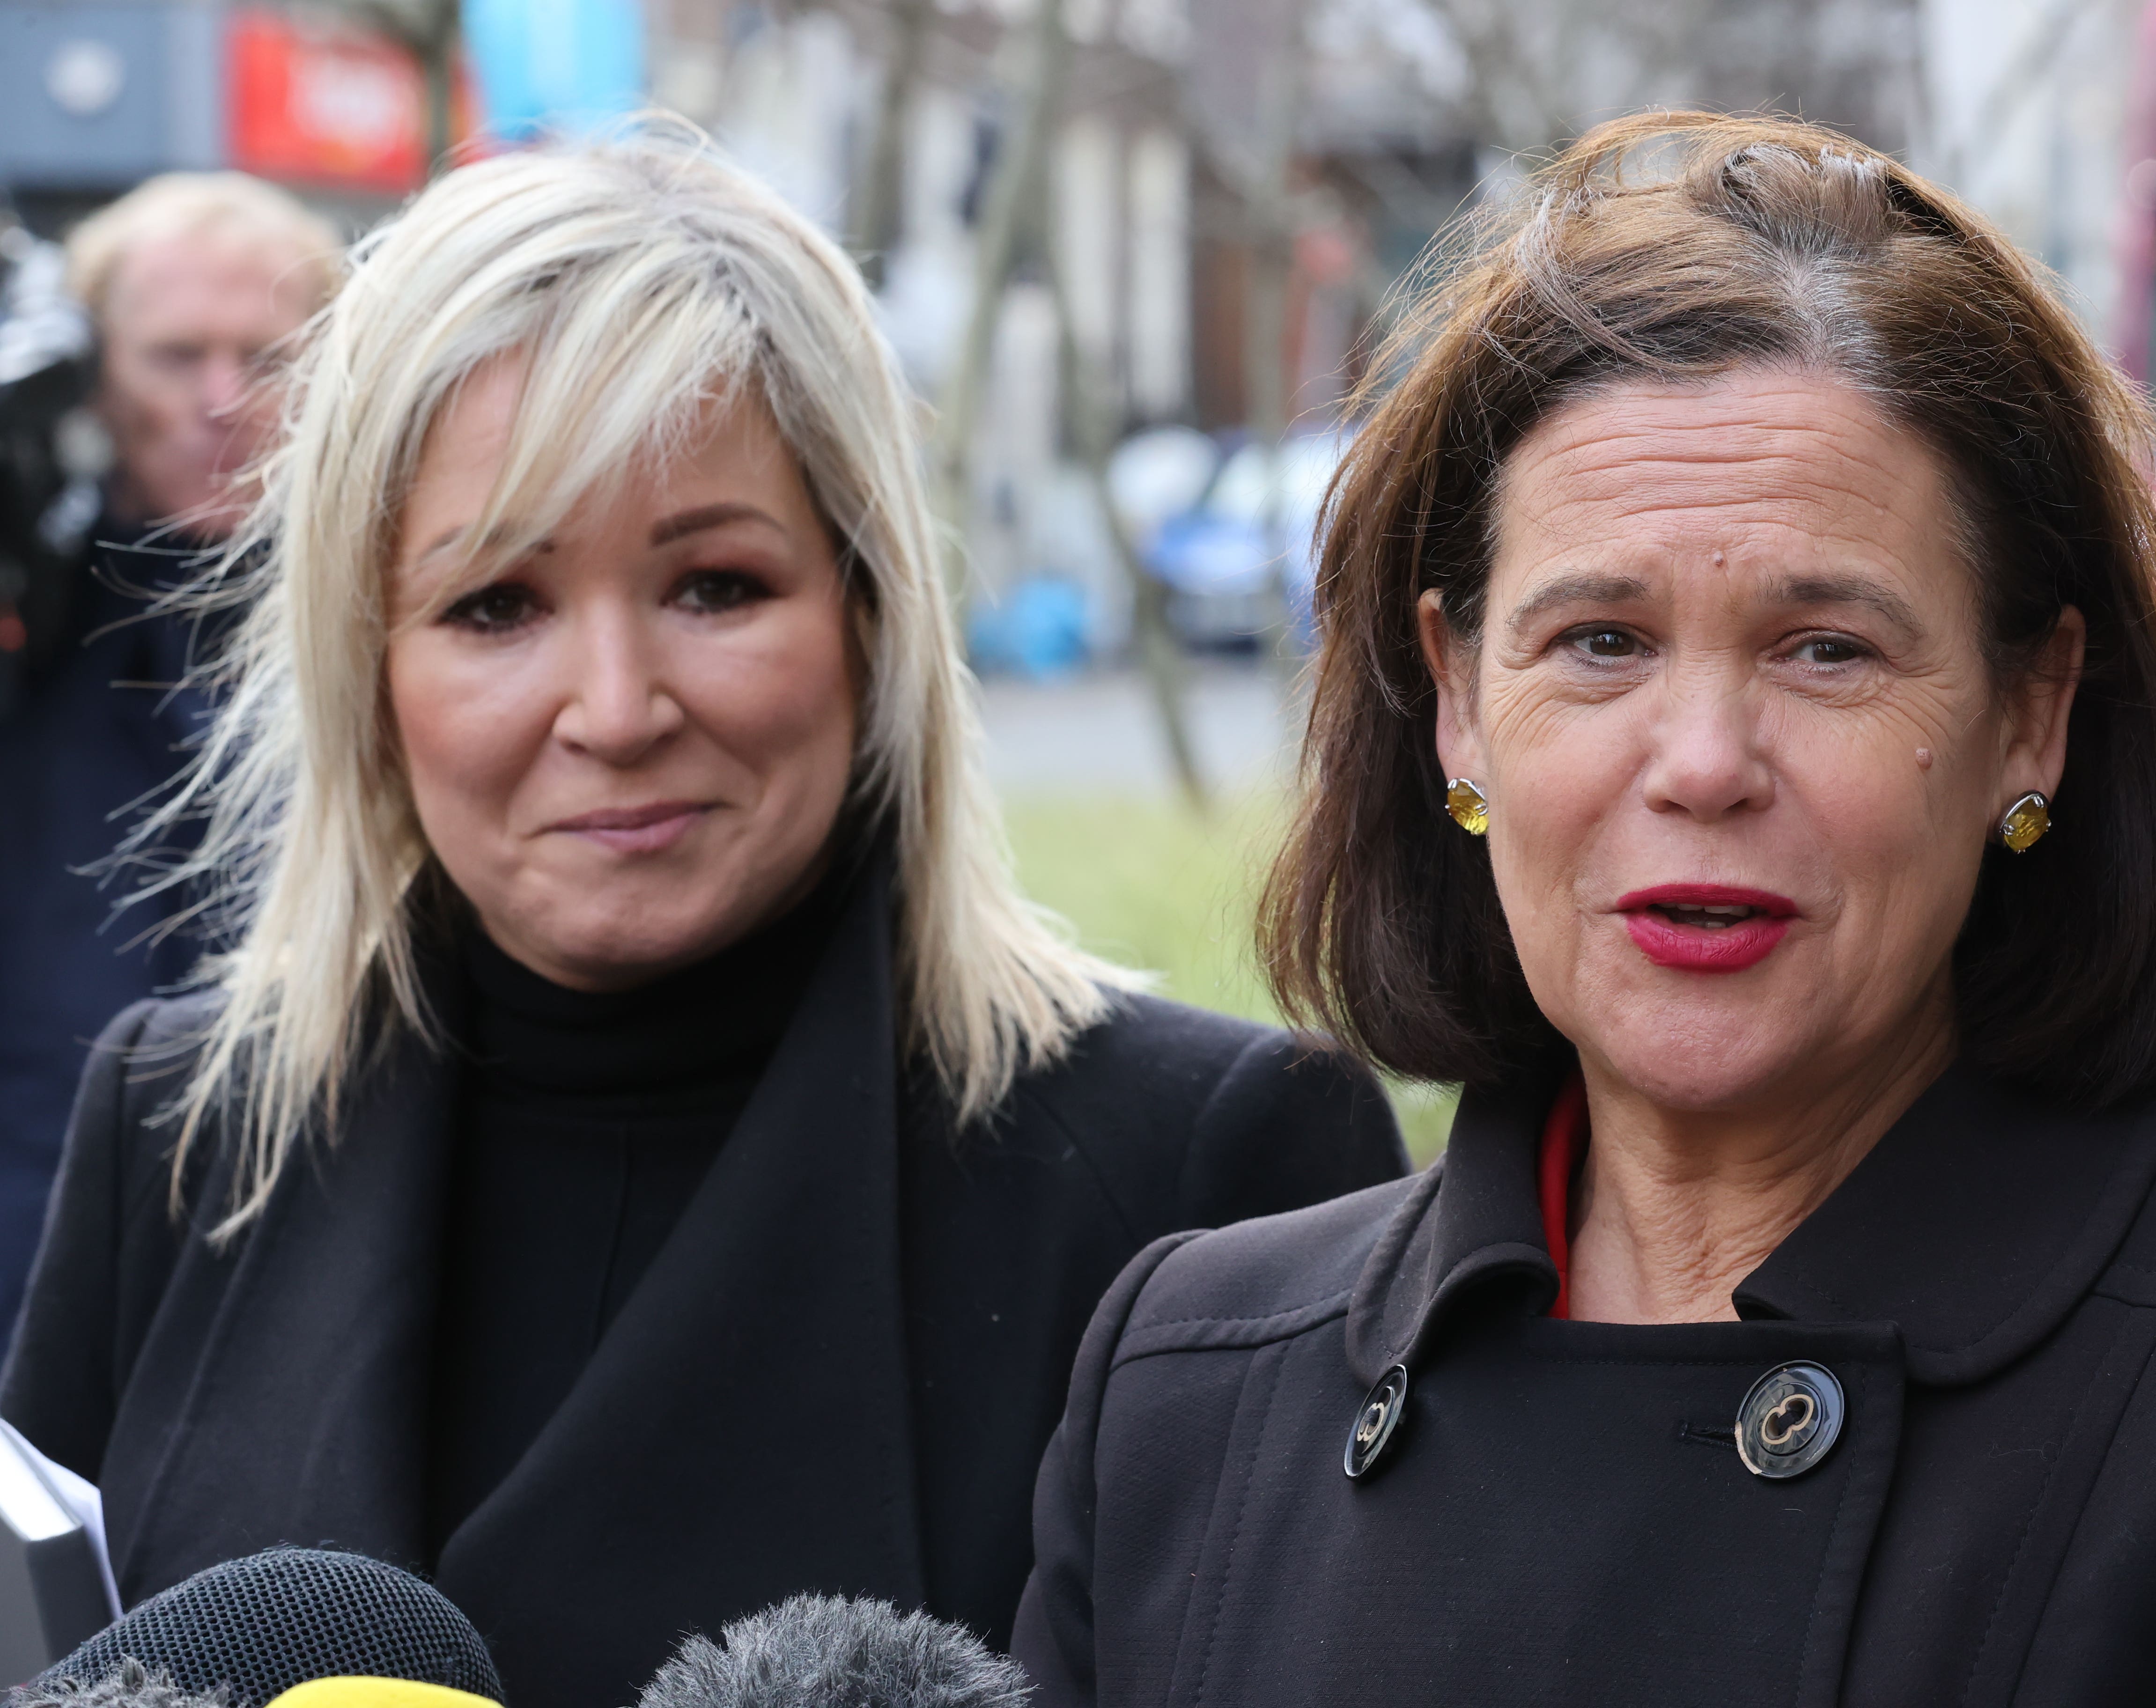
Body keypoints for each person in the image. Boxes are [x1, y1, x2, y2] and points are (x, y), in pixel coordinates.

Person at [1013, 112, 2156, 1705]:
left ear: (2030, 713)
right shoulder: (1189, 1378)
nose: (1700, 763)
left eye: (1825, 647)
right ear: (1456, 701)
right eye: (1600, 640)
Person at [0, 133, 1405, 1708]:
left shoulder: (1208, 1172)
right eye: (496, 605)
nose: (614, 707)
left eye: (716, 586)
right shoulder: (185, 1129)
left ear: (868, 613)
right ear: (368, 669)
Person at [0, 174, 339, 1352]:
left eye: (266, 354)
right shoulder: (29, 604)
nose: (222, 398)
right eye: (175, 354)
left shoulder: (397, 624)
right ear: (91, 369)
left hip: (295, 1290)